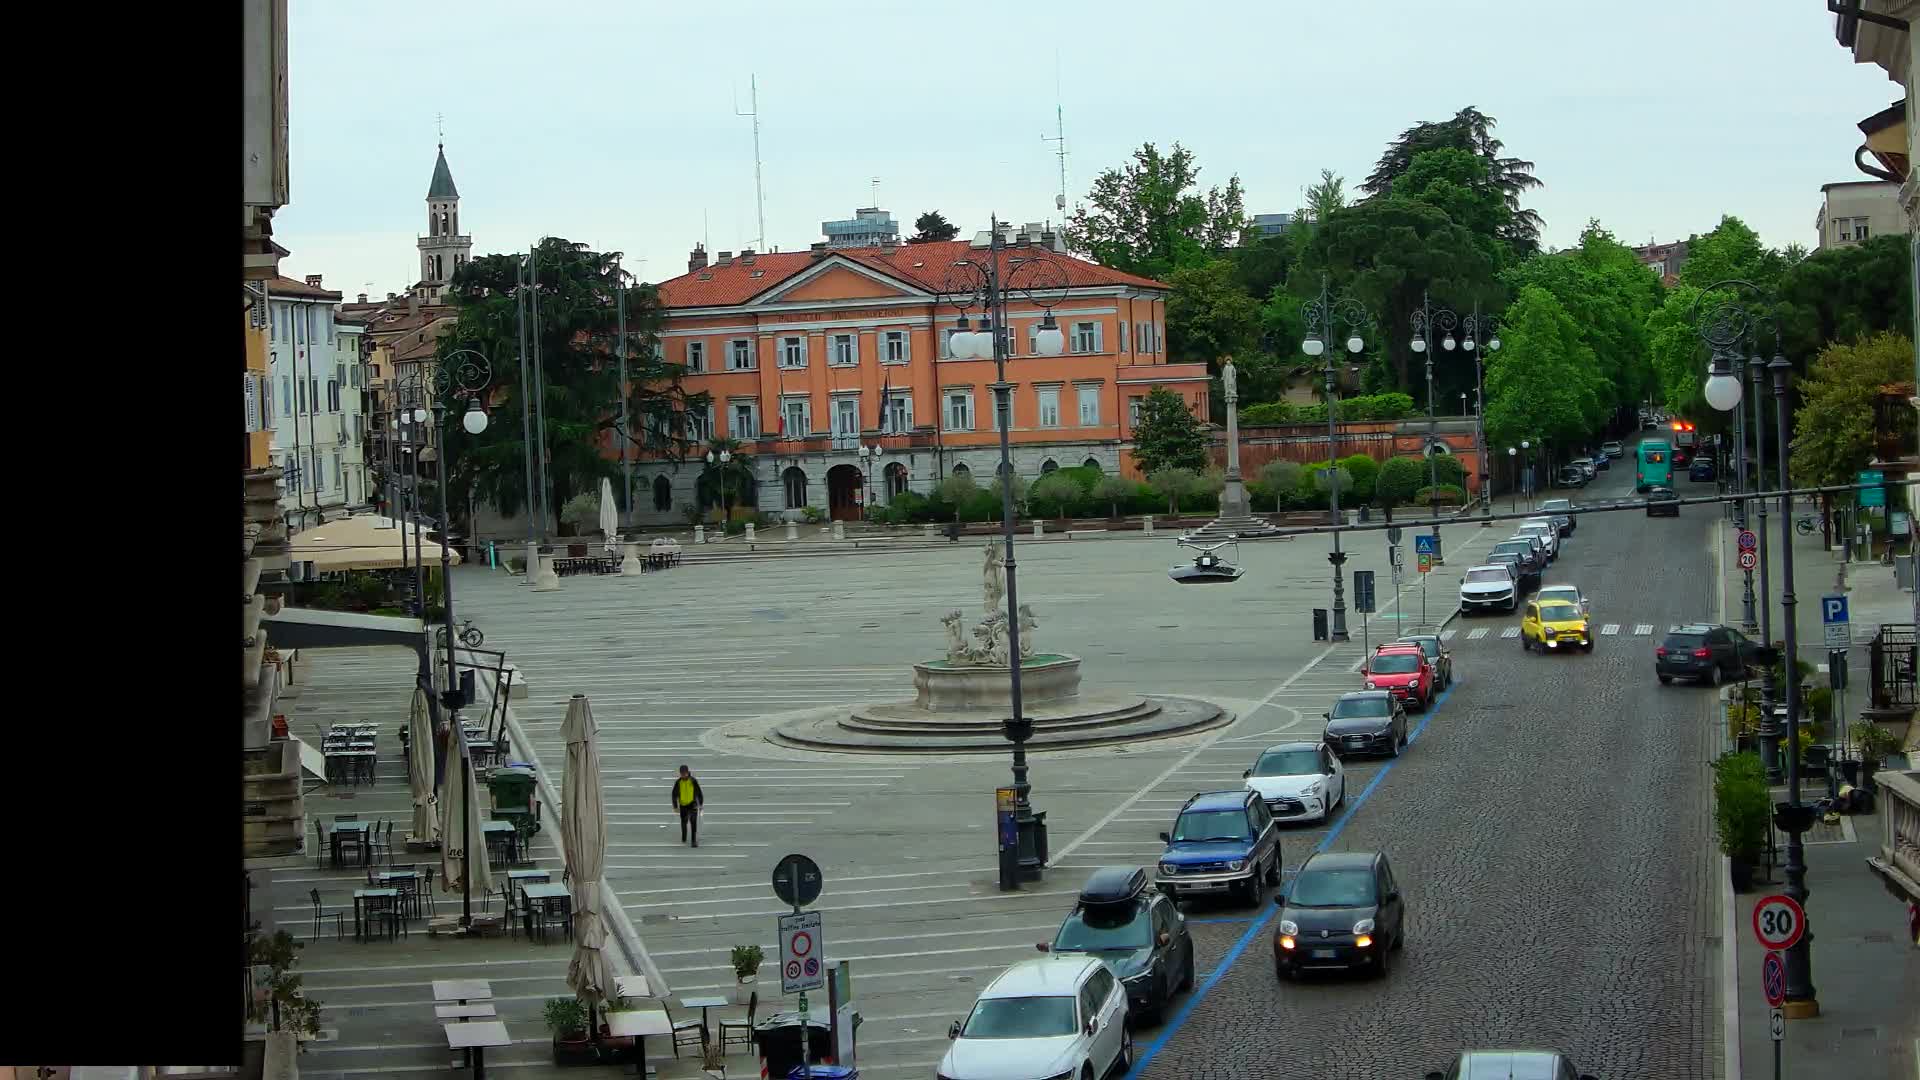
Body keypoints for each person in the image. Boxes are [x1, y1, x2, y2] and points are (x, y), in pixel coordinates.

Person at [670, 764, 705, 847]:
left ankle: (693, 841)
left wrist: (700, 804)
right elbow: (674, 794)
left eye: (684, 773)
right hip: (683, 805)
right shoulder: (678, 782)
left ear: (687, 772)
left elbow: (699, 793)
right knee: (683, 822)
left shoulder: (693, 781)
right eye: (681, 774)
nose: (683, 775)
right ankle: (684, 837)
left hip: (692, 804)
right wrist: (675, 806)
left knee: (693, 823)